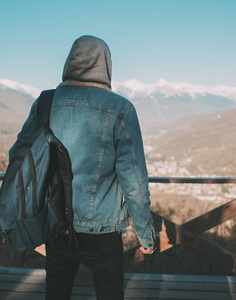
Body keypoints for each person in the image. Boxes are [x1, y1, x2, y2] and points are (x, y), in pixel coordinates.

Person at [35, 35, 155, 300]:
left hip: (56, 224)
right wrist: (146, 234)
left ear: (69, 62)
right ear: (106, 66)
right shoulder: (120, 108)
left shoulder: (45, 103)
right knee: (110, 293)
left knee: (56, 292)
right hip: (103, 229)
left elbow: (22, 158)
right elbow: (134, 181)